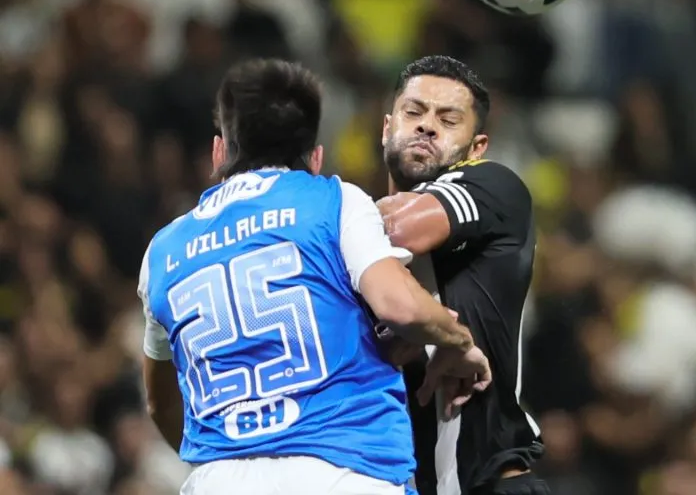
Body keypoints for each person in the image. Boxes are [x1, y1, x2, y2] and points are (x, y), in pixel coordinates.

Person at [139, 59, 492, 495]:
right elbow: (399, 306)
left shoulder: (162, 250)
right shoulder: (332, 200)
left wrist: (226, 460)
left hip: (219, 479)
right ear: (316, 158)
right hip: (343, 472)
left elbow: (160, 403)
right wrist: (459, 340)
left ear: (218, 152)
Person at [374, 55, 547, 495]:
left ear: (476, 148)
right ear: (386, 128)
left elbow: (403, 227)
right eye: (414, 112)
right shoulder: (363, 256)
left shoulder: (494, 186)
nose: (427, 126)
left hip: (494, 483)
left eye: (448, 120)